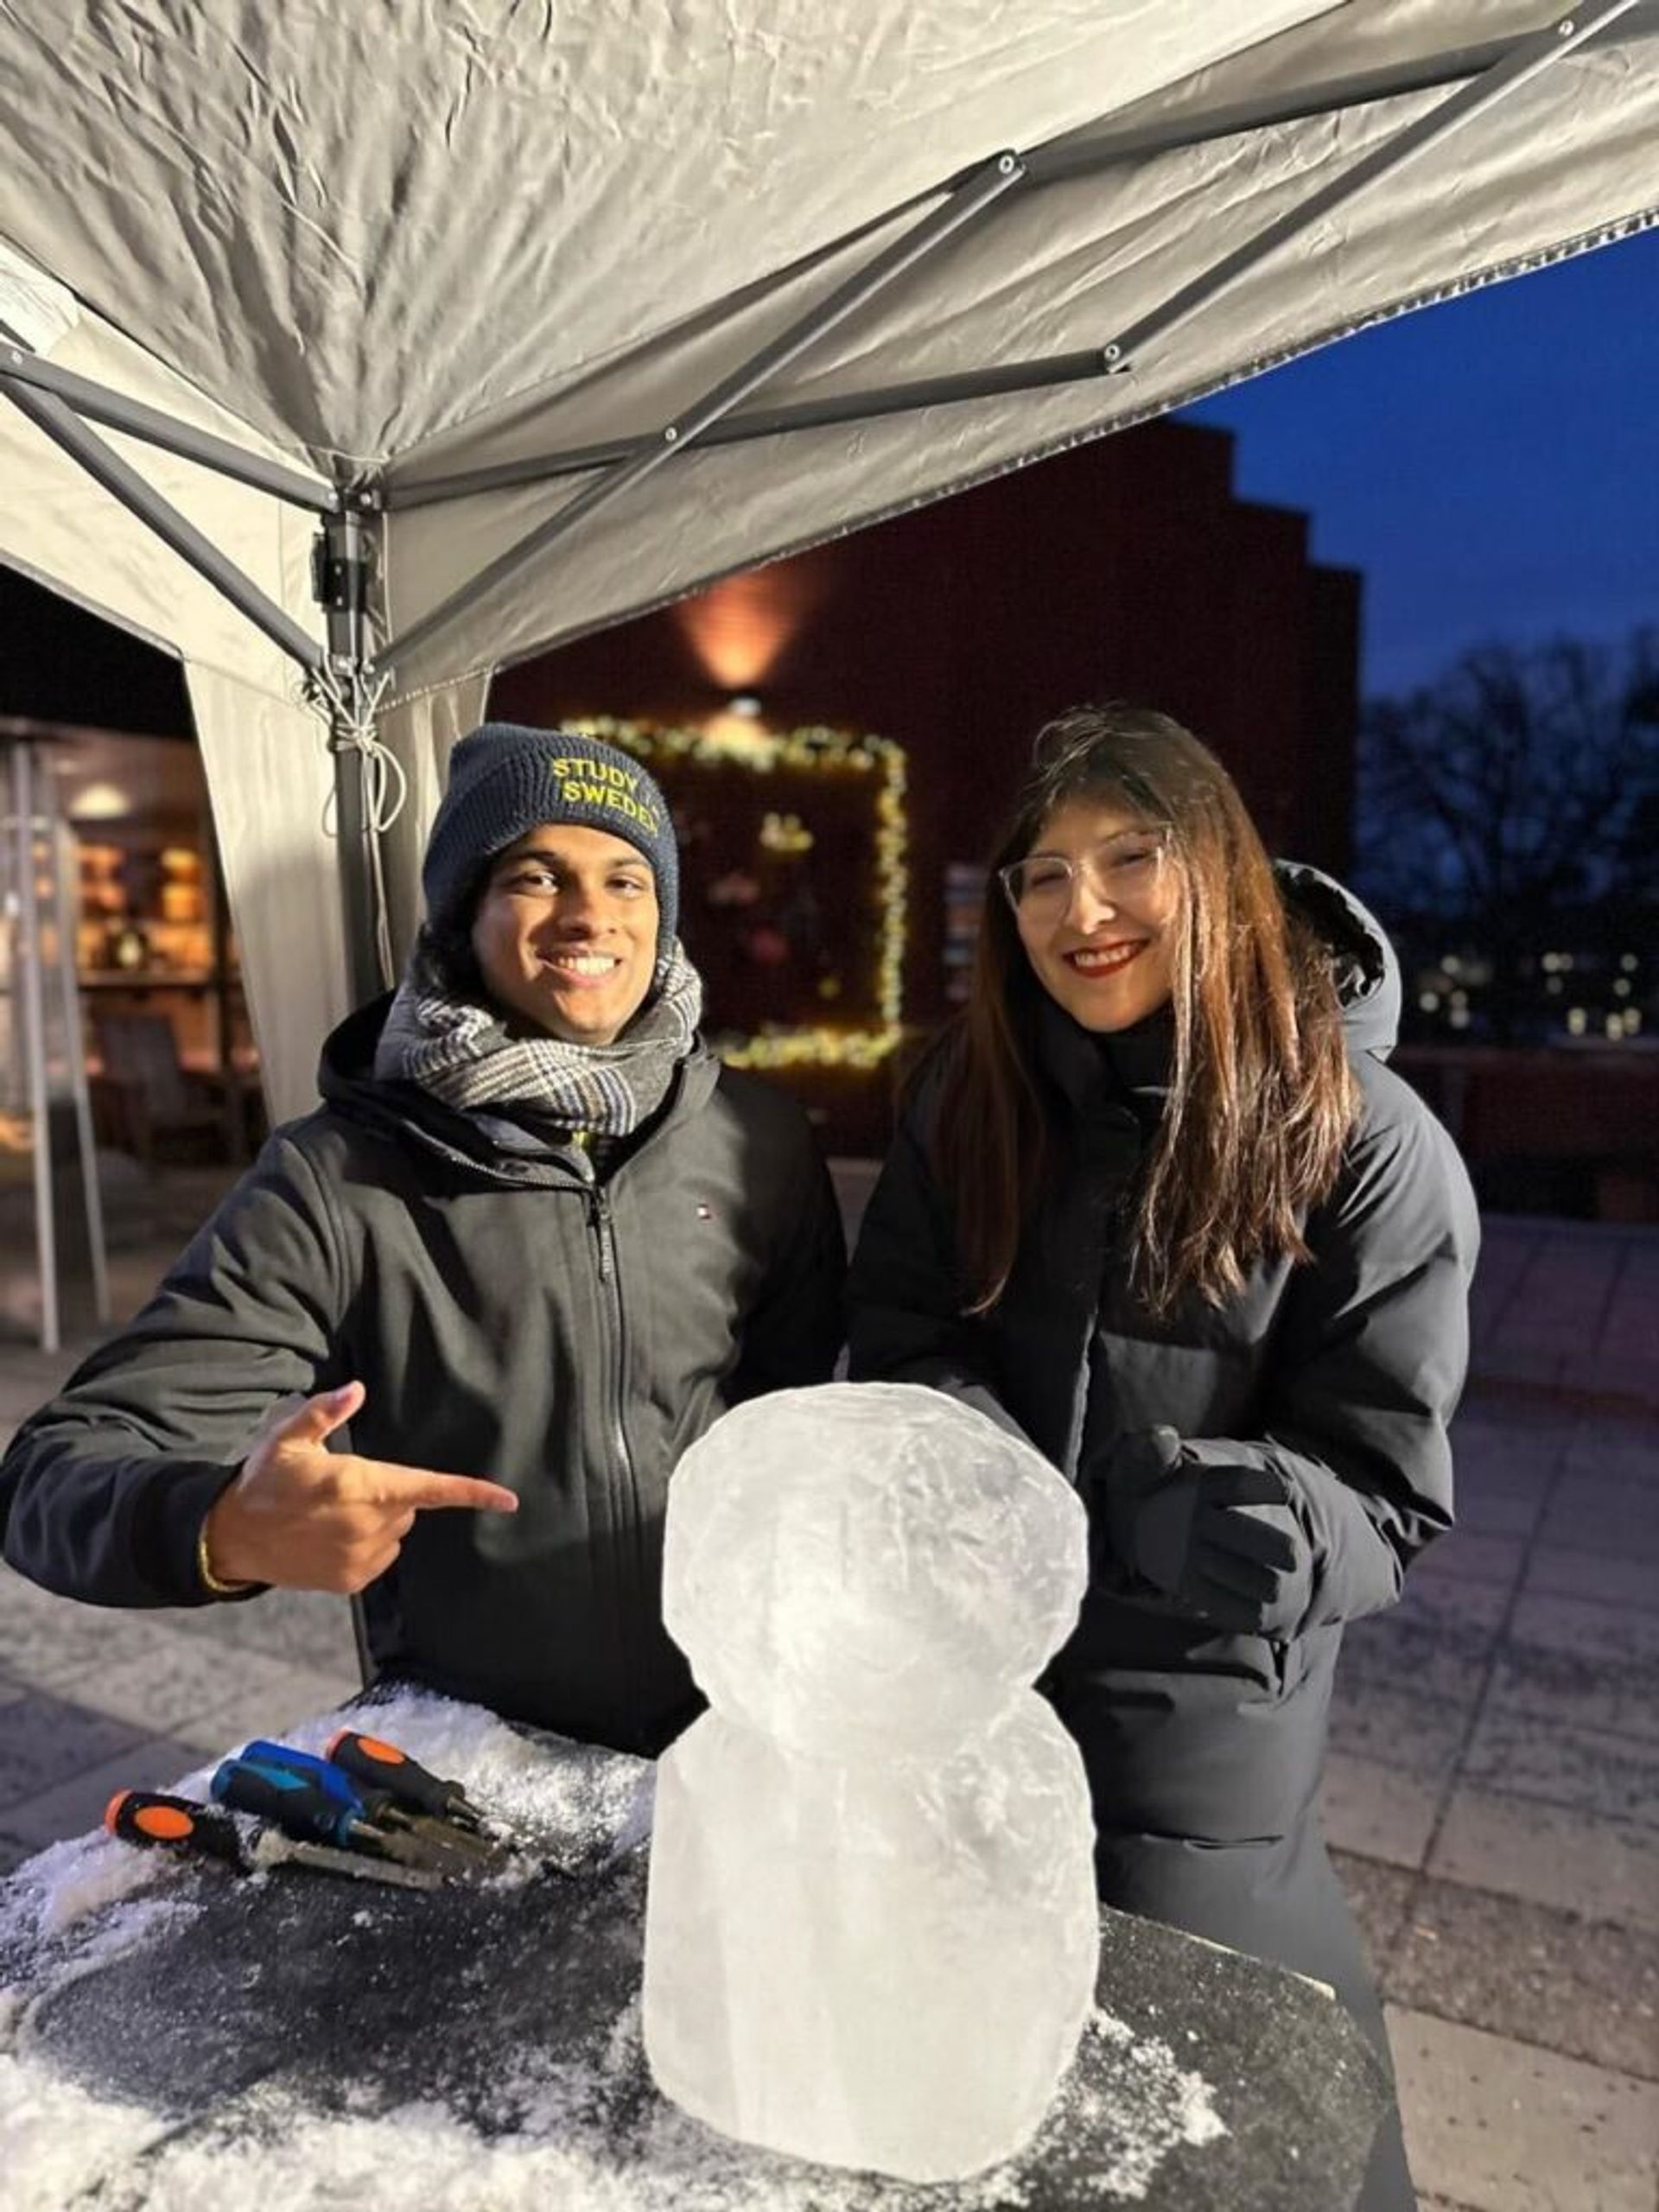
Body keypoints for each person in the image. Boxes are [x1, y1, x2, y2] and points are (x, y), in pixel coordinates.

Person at [847, 704, 1478, 2211]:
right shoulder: (967, 1089)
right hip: (975, 1682)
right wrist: (981, 1467)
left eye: (1133, 859)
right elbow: (907, 1324)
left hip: (1195, 1729)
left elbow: (1388, 1495)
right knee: (987, 2112)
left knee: (1246, 2124)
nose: (1087, 909)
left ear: (1224, 876)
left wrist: (1258, 1520)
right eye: (1043, 876)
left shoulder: (1361, 1134)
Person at [0, 723, 846, 1755]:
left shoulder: (754, 1138)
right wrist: (218, 1523)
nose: (590, 913)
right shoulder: (341, 1176)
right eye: (536, 875)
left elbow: (803, 1413)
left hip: (737, 1733)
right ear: (461, 917)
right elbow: (52, 1473)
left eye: (627, 879)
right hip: (482, 1757)